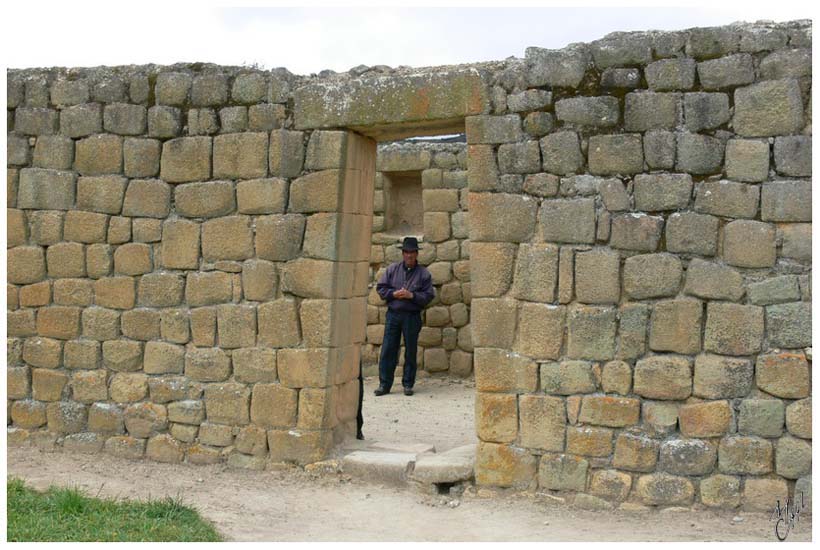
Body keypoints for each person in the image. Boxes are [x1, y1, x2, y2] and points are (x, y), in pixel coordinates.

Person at [375, 236, 435, 396]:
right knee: (388, 349)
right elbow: (380, 289)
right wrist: (393, 294)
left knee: (410, 350)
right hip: (393, 315)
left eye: (412, 252)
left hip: (412, 316)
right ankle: (384, 384)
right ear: (403, 253)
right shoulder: (392, 270)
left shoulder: (423, 274)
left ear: (417, 254)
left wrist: (411, 296)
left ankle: (408, 384)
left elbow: (429, 296)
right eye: (407, 252)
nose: (409, 255)